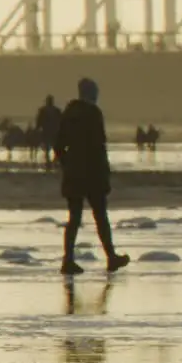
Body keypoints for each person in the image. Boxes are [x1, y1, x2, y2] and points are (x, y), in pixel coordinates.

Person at [53, 78, 130, 275]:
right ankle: (111, 257)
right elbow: (99, 146)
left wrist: (67, 165)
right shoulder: (94, 114)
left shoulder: (69, 113)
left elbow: (58, 145)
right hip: (92, 174)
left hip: (74, 174)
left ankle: (68, 260)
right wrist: (105, 174)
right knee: (100, 217)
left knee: (74, 218)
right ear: (91, 93)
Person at [35, 95, 62, 168]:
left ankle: (50, 162)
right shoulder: (56, 110)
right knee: (53, 147)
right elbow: (61, 120)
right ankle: (53, 161)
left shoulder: (44, 110)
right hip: (52, 131)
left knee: (49, 147)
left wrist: (37, 128)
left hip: (48, 131)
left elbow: (39, 120)